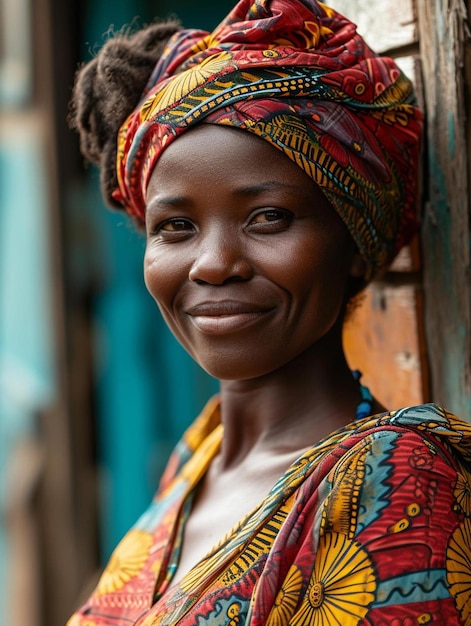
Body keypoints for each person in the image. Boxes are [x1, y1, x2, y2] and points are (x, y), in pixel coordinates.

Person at [67, 0, 471, 624]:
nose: (212, 263)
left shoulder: (394, 482)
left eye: (268, 218)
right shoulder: (198, 457)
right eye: (175, 227)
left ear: (355, 245)